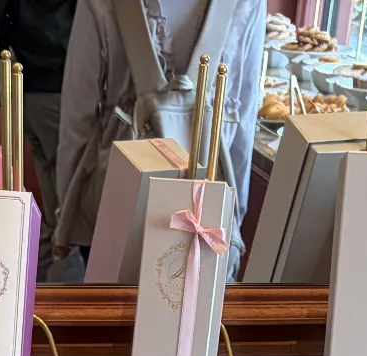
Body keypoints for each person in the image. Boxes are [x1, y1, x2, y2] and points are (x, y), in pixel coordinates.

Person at [53, 0, 264, 268]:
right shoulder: (249, 4)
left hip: (117, 195)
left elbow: (78, 114)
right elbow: (243, 116)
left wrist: (69, 205)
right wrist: (235, 211)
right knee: (191, 292)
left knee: (110, 289)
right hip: (206, 203)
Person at [0, 0, 75, 253]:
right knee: (67, 183)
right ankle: (59, 259)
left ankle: (47, 258)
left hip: (22, 83)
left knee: (48, 173)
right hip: (58, 87)